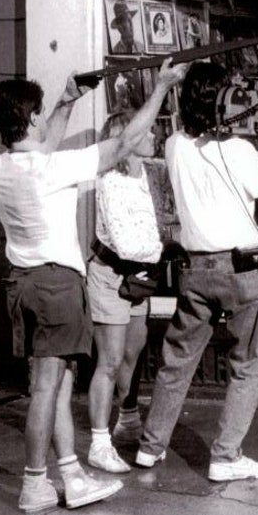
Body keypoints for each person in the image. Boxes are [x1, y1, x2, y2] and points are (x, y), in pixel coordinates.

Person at [0, 57, 188, 512]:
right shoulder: (50, 169)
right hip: (57, 286)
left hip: (21, 284)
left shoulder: (1, 168)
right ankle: (35, 483)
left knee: (53, 383)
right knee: (46, 388)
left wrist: (65, 101)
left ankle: (71, 474)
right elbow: (126, 143)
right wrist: (160, 88)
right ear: (32, 117)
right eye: (42, 112)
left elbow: (40, 146)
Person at [135, 62, 258, 482]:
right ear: (224, 102)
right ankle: (225, 456)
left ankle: (151, 446)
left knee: (178, 358)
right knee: (249, 361)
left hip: (196, 268)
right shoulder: (239, 151)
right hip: (241, 268)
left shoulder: (173, 145)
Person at [84, 110, 165, 474]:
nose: (155, 135)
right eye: (147, 131)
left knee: (133, 350)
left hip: (139, 277)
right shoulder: (109, 181)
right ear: (127, 139)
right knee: (110, 359)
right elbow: (127, 242)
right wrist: (168, 249)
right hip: (111, 274)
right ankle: (99, 443)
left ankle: (128, 418)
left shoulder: (147, 173)